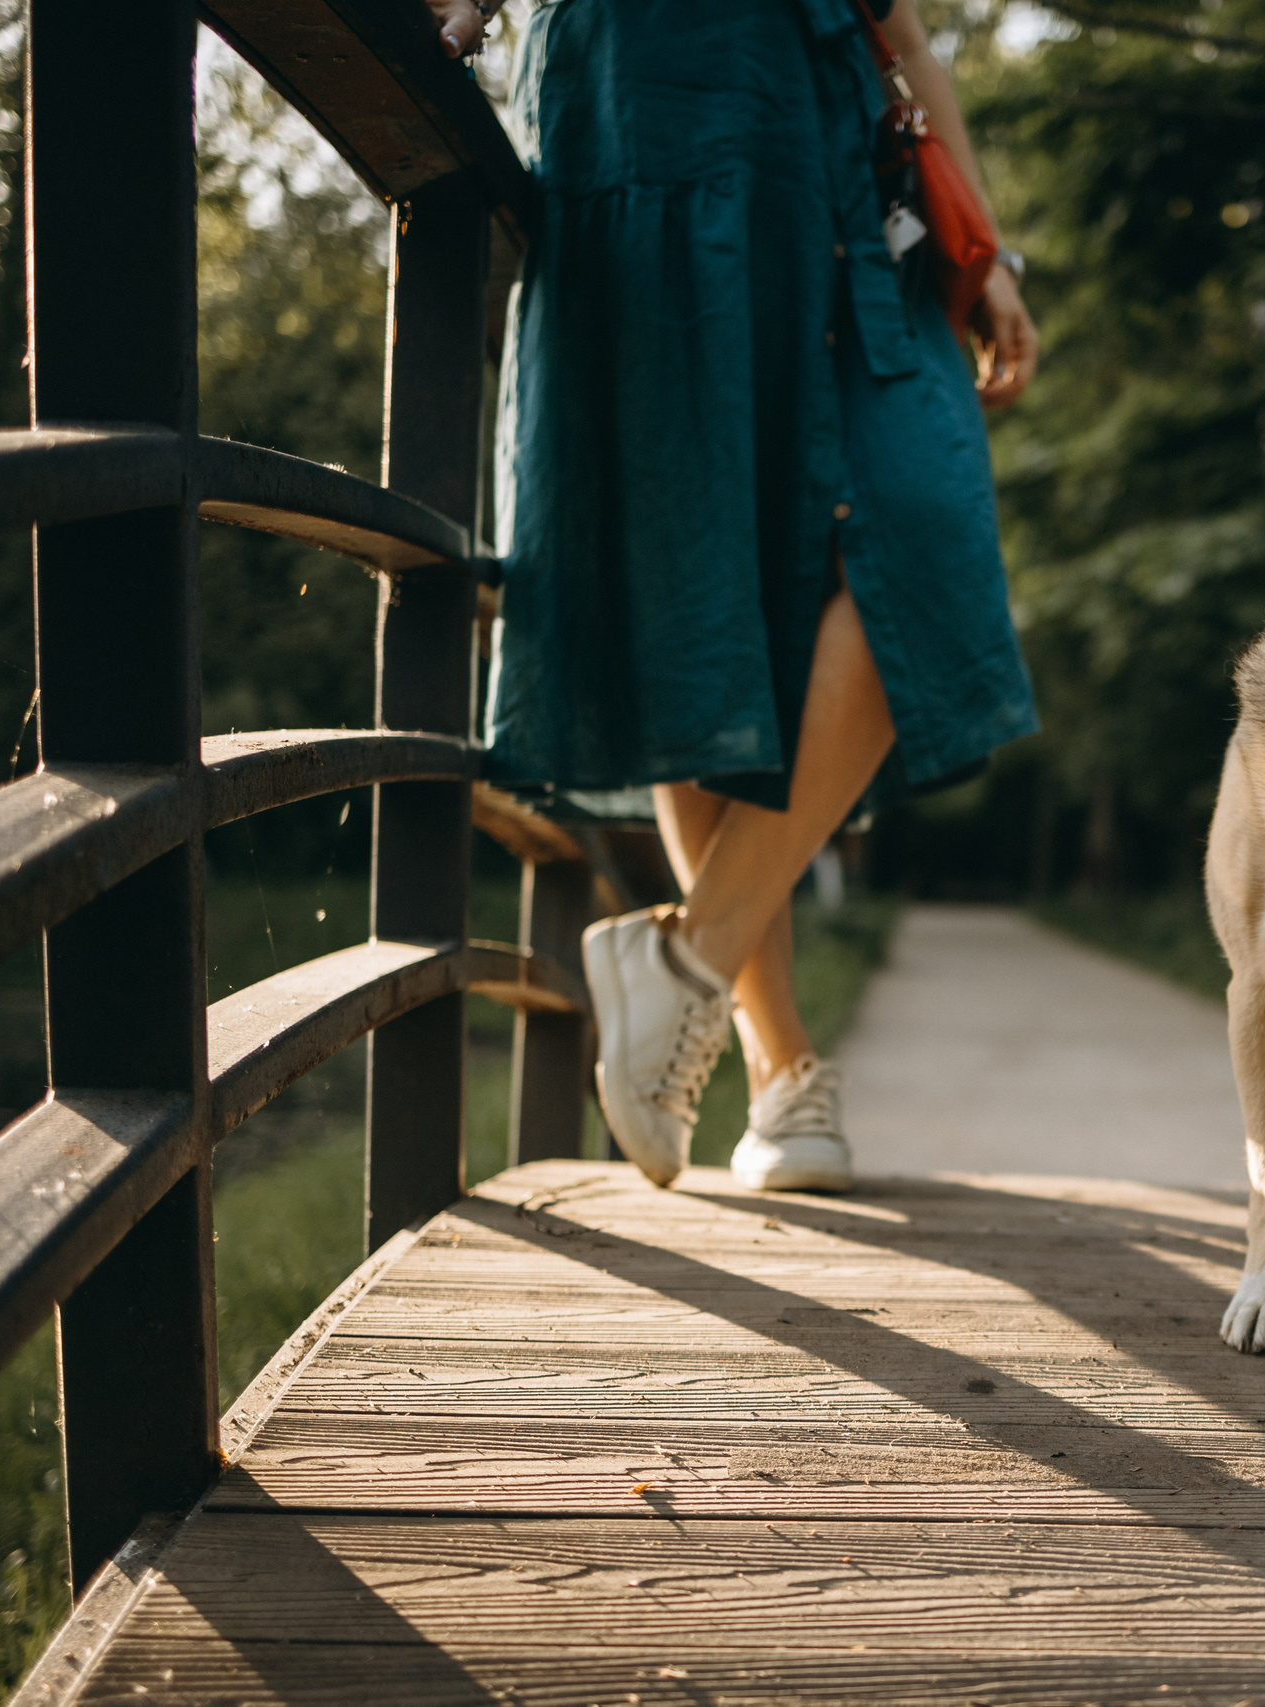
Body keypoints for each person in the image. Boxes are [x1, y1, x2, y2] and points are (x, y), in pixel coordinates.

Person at [421, 0, 1040, 1194]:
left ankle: (686, 963)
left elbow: (907, 32)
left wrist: (990, 252)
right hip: (646, 109)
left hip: (836, 146)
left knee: (929, 539)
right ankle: (779, 1068)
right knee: (694, 584)